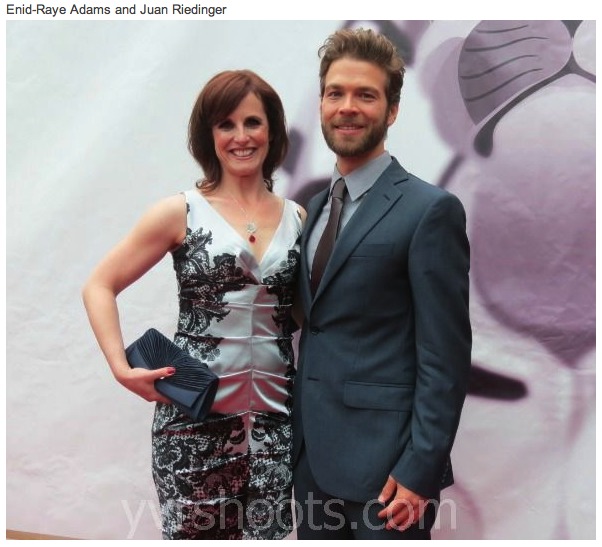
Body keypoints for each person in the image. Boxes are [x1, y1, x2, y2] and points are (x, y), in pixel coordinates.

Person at [82, 69, 306, 540]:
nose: (241, 137)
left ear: (273, 130)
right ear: (209, 135)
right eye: (226, 124)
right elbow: (99, 286)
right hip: (191, 425)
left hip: (274, 427)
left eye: (253, 122)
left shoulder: (298, 218)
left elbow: (303, 315)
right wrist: (121, 368)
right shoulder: (179, 211)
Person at [292, 28, 472, 539]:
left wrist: (421, 470)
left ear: (391, 110)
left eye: (365, 95)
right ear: (323, 103)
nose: (348, 107)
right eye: (336, 93)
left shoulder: (429, 210)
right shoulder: (318, 208)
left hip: (389, 478)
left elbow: (447, 355)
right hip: (310, 464)